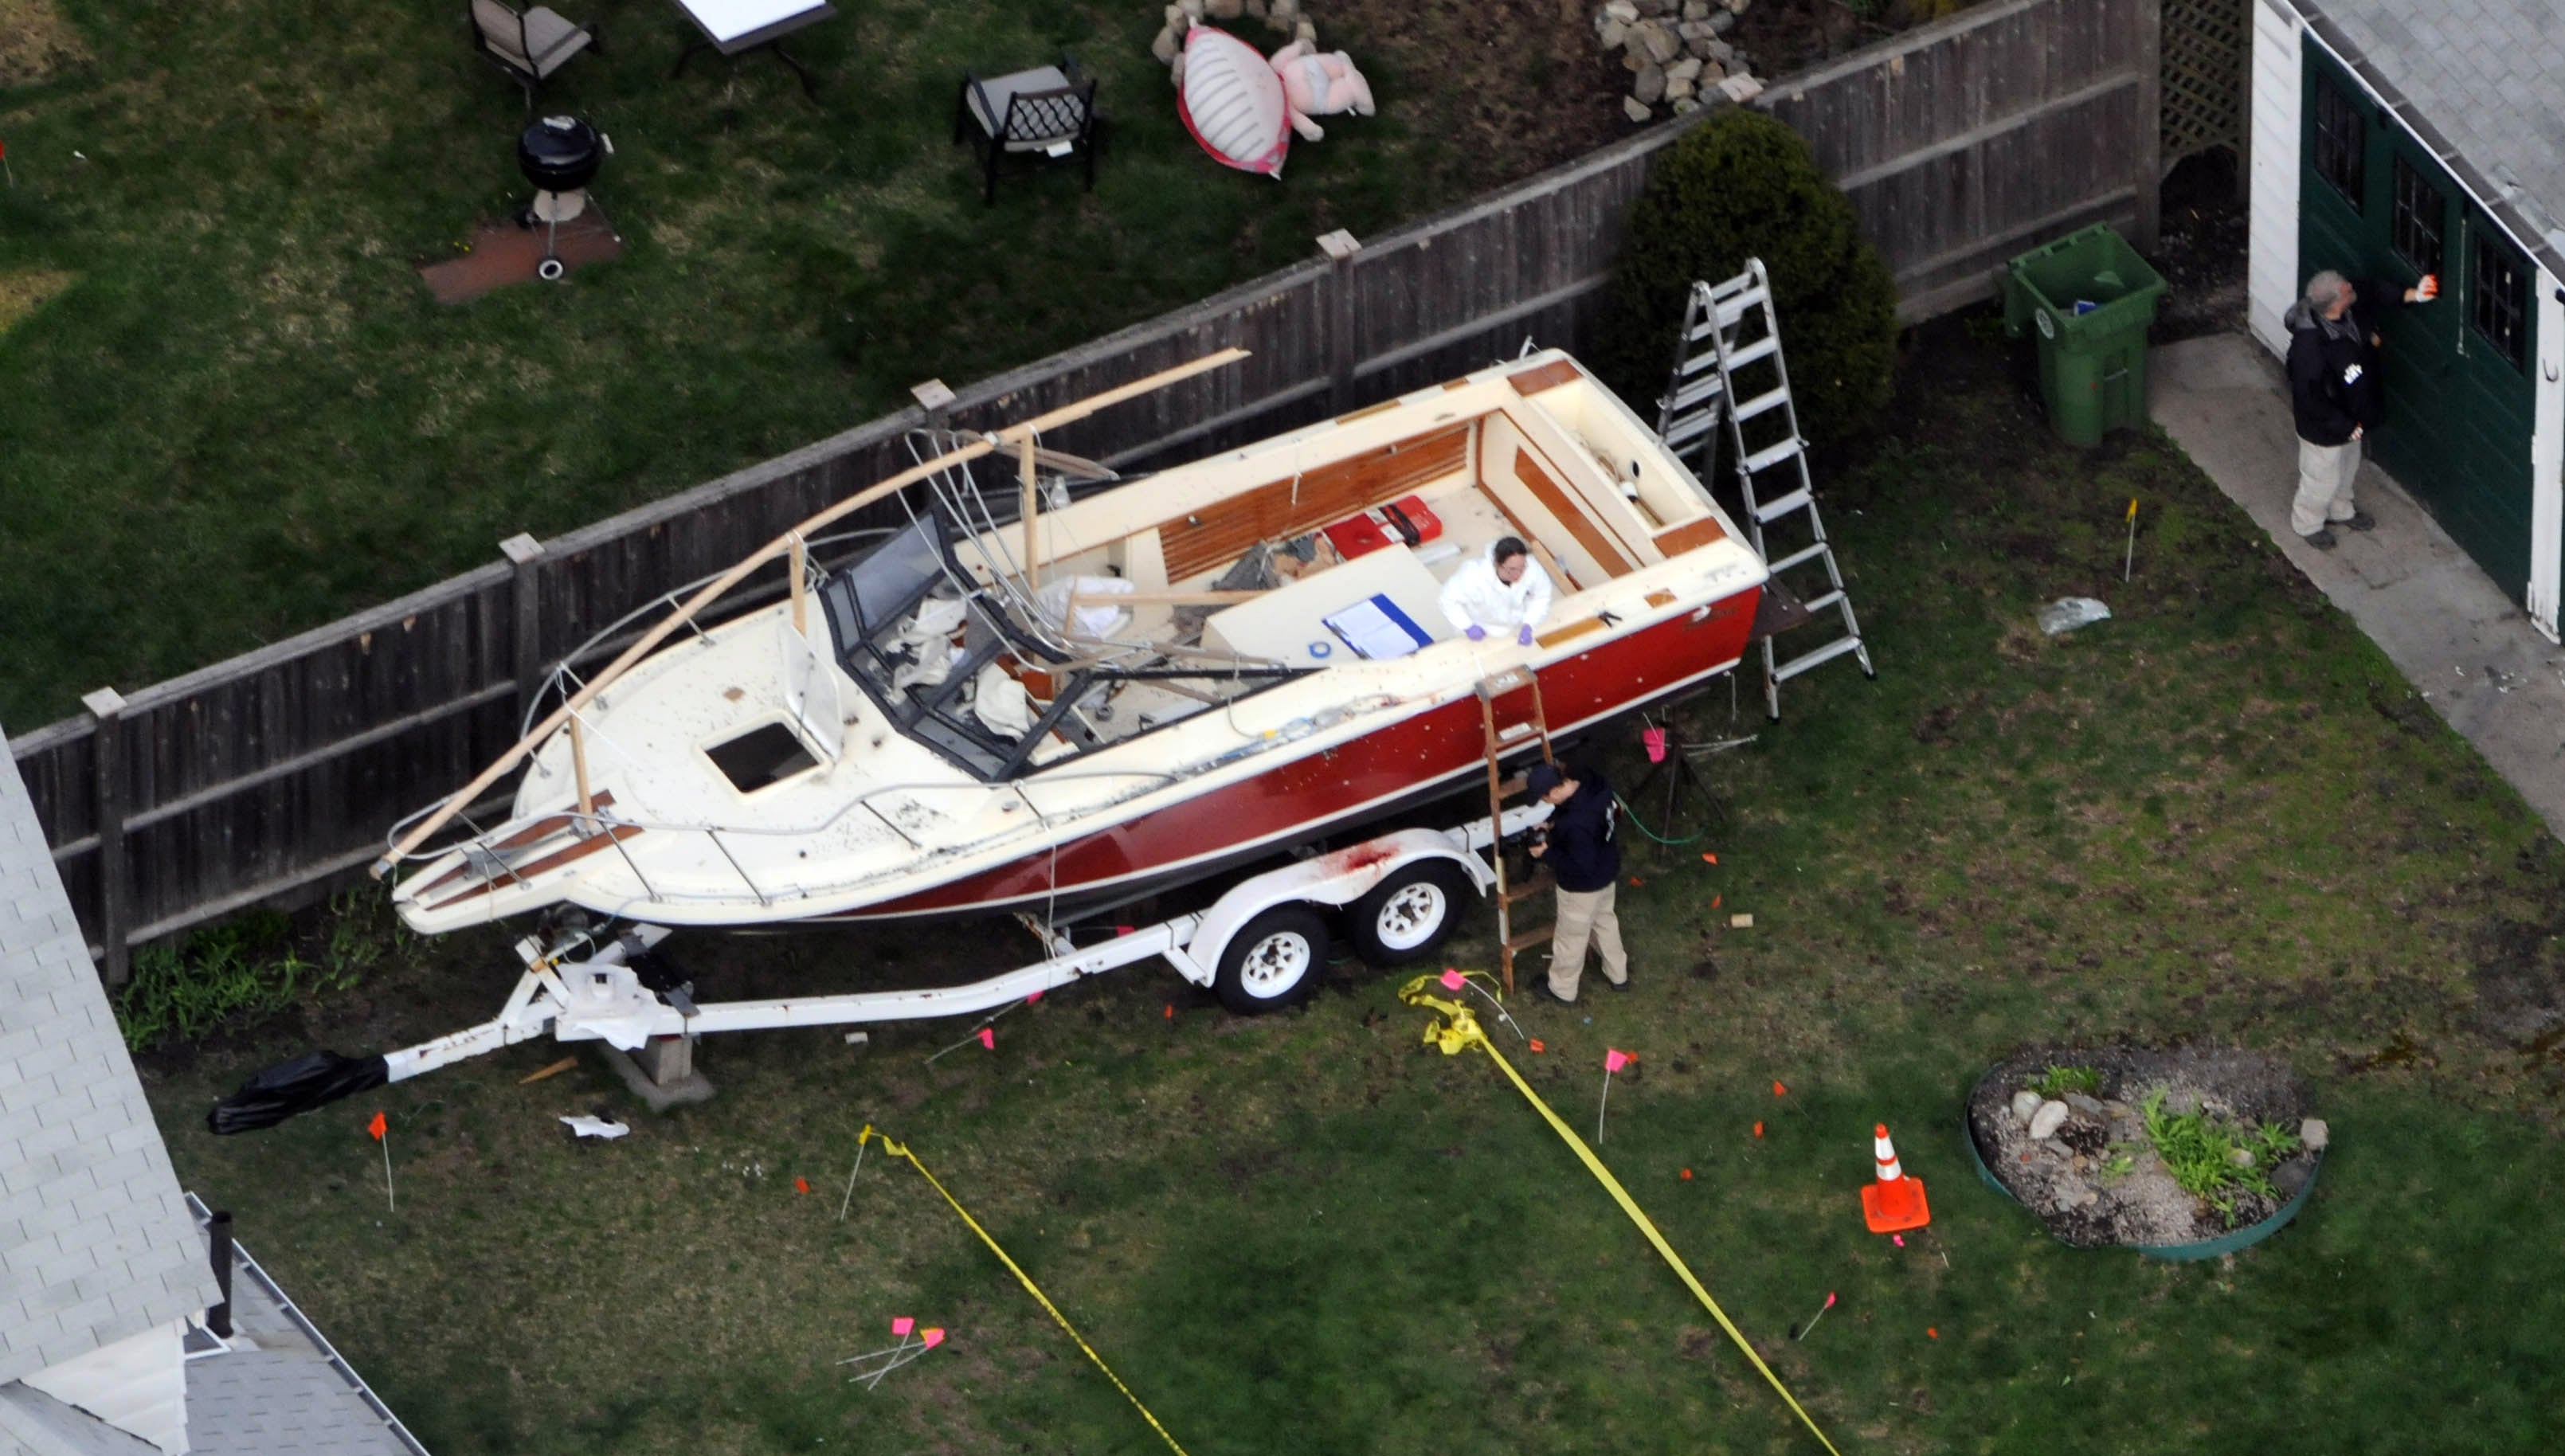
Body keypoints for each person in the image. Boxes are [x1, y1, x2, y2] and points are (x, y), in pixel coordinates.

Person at [2285, 268, 2438, 549]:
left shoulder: (2347, 304)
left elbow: (2374, 289)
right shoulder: (2309, 349)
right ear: (2334, 303)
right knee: (2321, 477)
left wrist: (2414, 294)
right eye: (2345, 289)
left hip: (2353, 415)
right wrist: (2344, 425)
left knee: (2347, 468)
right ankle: (2307, 523)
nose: (2350, 287)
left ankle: (2340, 511)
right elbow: (2310, 397)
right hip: (2324, 428)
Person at [1523, 759, 1627, 1004]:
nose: (1545, 802)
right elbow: (1569, 811)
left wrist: (1545, 853)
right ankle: (1618, 975)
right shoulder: (1593, 782)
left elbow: (1579, 866)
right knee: (1604, 922)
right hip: (1607, 870)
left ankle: (1562, 990)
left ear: (1557, 790)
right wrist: (1551, 823)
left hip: (1582, 888)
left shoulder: (1576, 824)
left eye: (1546, 798)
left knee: (1571, 938)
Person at [1438, 536, 1554, 646]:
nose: (1518, 574)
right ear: (1498, 564)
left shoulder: (1532, 569)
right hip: (1481, 628)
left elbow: (1541, 596)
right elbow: (1447, 600)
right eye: (1512, 569)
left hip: (1514, 626)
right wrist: (1467, 625)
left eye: (1522, 567)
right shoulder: (1472, 575)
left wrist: (1529, 623)